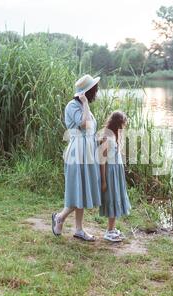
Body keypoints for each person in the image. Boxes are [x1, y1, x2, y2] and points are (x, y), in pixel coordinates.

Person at [52, 74, 101, 241]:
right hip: (77, 152)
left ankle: (79, 229)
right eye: (94, 90)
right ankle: (60, 217)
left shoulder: (83, 106)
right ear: (87, 92)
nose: (96, 93)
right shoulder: (73, 106)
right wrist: (86, 103)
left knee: (84, 189)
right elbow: (83, 124)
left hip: (87, 152)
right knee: (77, 190)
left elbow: (91, 130)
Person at [98, 111, 131, 242]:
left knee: (116, 196)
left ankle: (112, 228)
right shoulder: (107, 138)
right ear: (118, 123)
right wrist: (104, 181)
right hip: (110, 173)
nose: (124, 127)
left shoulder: (114, 136)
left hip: (116, 172)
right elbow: (102, 160)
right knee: (112, 197)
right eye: (123, 124)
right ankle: (109, 231)